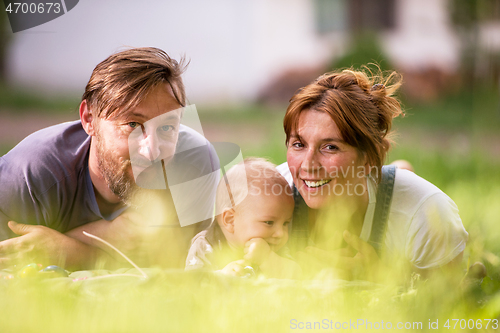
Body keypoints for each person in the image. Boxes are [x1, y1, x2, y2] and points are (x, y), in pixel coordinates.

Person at [0, 47, 218, 270]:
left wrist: (75, 251)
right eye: (133, 125)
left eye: (167, 127)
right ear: (89, 118)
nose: (152, 152)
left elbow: (178, 275)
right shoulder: (27, 176)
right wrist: (110, 240)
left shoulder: (194, 163)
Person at [276, 68, 468, 281]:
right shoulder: (268, 197)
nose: (308, 166)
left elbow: (447, 304)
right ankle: (401, 168)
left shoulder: (427, 213)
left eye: (330, 147)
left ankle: (400, 173)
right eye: (298, 144)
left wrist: (381, 277)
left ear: (369, 158)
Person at [185, 158, 301, 279]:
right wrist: (221, 277)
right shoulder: (206, 244)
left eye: (286, 223)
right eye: (269, 222)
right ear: (230, 220)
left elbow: (297, 277)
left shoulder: (274, 247)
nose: (280, 233)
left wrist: (267, 259)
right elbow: (191, 285)